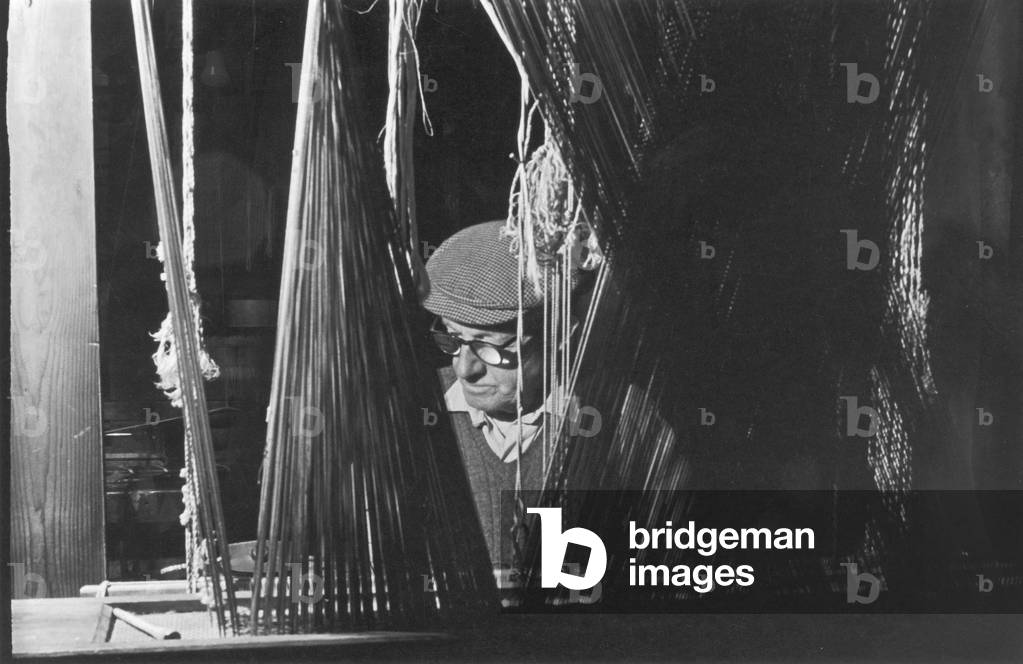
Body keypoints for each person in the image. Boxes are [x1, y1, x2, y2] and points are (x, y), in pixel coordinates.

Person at [420, 220, 583, 580]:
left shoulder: (617, 423)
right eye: (453, 338)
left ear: (559, 336)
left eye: (489, 348)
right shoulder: (414, 412)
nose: (464, 369)